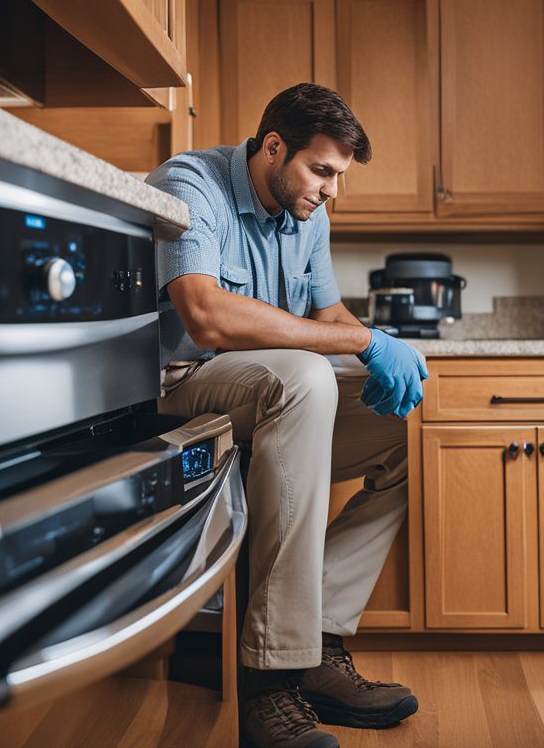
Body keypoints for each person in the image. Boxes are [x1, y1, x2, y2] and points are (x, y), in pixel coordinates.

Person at [147, 83, 427, 748]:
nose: (331, 190)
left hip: (266, 387)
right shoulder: (193, 184)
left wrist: (383, 352)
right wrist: (361, 343)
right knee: (303, 377)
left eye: (339, 176)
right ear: (274, 147)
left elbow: (327, 316)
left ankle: (320, 640)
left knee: (414, 423)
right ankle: (270, 678)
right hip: (176, 386)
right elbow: (206, 315)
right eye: (321, 171)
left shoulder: (308, 216)